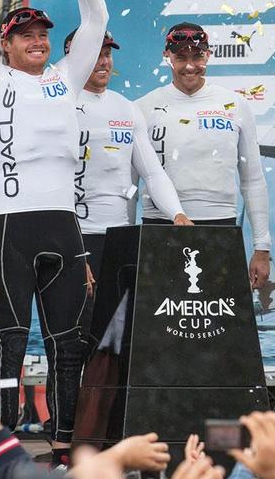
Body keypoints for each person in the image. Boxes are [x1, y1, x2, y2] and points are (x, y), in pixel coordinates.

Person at [0, 0, 108, 465]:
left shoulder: (65, 78)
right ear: (7, 45)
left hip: (62, 229)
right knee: (9, 344)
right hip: (12, 230)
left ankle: (62, 446)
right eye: (24, 34)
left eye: (43, 34)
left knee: (67, 346)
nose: (36, 41)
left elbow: (95, 16)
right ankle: (3, 450)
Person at [63, 29, 192, 352]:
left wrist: (177, 214)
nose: (103, 61)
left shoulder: (126, 108)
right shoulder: (58, 105)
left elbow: (152, 171)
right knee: (73, 345)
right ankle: (68, 405)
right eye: (95, 54)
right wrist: (70, 246)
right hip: (75, 238)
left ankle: (111, 404)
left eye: (107, 53)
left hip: (119, 240)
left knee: (118, 346)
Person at [135, 23, 272, 288]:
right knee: (160, 329)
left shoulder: (235, 105)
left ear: (208, 55)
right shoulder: (143, 107)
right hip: (158, 228)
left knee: (220, 328)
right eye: (181, 58)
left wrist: (262, 248)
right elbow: (129, 186)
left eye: (197, 57)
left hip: (219, 228)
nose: (189, 66)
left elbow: (253, 180)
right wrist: (128, 248)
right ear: (167, 56)